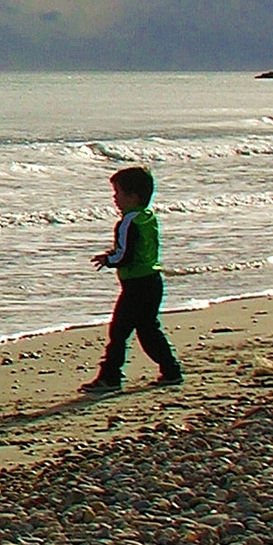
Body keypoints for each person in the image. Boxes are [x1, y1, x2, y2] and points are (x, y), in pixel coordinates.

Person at [79, 166, 182, 393]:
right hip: (152, 280)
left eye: (118, 193)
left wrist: (108, 259)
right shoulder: (148, 218)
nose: (115, 199)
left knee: (119, 331)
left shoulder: (127, 222)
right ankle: (171, 370)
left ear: (133, 197)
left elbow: (124, 255)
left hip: (136, 285)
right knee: (148, 329)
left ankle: (110, 377)